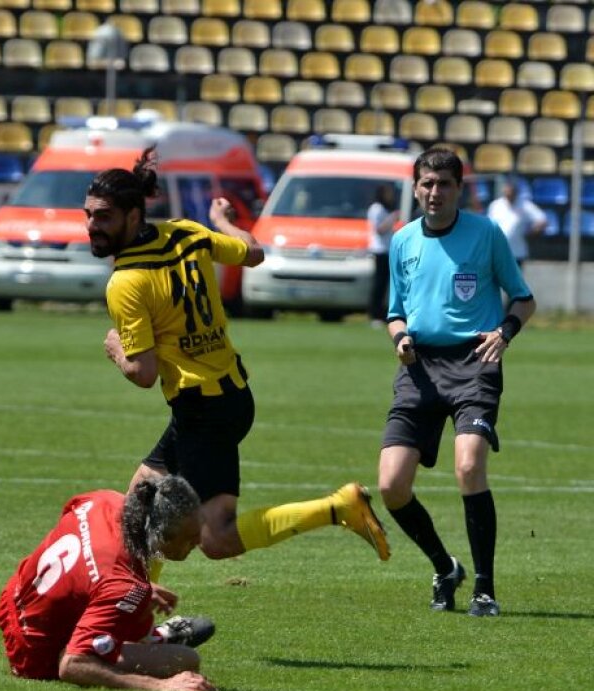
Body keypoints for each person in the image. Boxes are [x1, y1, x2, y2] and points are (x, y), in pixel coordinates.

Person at [93, 148, 391, 570]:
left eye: (103, 216)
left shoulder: (126, 282)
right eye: (89, 215)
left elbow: (143, 374)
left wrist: (115, 350)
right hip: (230, 395)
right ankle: (137, 615)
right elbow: (253, 253)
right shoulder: (187, 233)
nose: (92, 226)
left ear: (133, 215)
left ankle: (338, 507)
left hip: (203, 411)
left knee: (218, 538)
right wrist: (223, 223)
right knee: (138, 507)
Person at [379, 148, 536, 618]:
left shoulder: (486, 234)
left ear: (458, 188)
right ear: (415, 188)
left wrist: (504, 333)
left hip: (475, 362)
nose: (434, 192)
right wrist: (401, 338)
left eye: (443, 184)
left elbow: (523, 299)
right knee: (391, 485)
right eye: (426, 183)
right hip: (420, 367)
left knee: (468, 467)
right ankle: (445, 566)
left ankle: (484, 589)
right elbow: (394, 312)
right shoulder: (402, 240)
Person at [0, 475, 217, 691]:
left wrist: (106, 581)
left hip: (15, 599)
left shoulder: (105, 499)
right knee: (185, 659)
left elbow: (70, 521)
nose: (198, 543)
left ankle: (147, 636)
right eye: (189, 538)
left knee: (131, 601)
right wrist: (161, 686)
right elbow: (73, 665)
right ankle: (155, 639)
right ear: (160, 535)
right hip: (34, 652)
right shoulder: (123, 584)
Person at [486, 178, 547, 269]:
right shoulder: (495, 205)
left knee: (514, 282)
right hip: (497, 252)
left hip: (517, 253)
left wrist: (532, 232)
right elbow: (489, 226)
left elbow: (542, 220)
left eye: (511, 191)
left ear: (516, 192)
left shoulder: (525, 205)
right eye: (507, 191)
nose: (509, 194)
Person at [367, 183, 400, 326]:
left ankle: (382, 313)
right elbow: (379, 229)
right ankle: (374, 313)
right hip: (379, 249)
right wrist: (392, 218)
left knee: (386, 283)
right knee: (379, 283)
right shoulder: (376, 208)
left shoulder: (386, 208)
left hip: (388, 249)